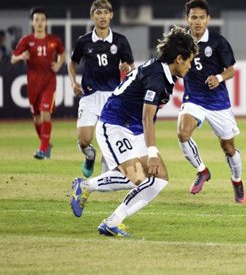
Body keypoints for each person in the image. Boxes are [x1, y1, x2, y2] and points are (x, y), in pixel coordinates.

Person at [70, 26, 198, 237]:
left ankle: (113, 222)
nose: (190, 66)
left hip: (134, 128)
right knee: (134, 177)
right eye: (189, 60)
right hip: (114, 124)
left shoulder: (164, 73)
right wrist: (153, 152)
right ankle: (85, 186)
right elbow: (148, 117)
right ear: (178, 58)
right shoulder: (157, 79)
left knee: (160, 178)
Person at [177, 0, 246, 203]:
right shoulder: (181, 42)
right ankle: (202, 170)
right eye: (193, 17)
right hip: (193, 99)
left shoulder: (218, 42)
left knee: (229, 148)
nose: (197, 22)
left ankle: (237, 181)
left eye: (201, 17)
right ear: (187, 19)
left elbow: (231, 70)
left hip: (218, 103)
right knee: (182, 133)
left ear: (208, 19)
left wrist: (219, 77)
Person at [68, 0, 135, 178]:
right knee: (84, 140)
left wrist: (127, 68)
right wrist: (74, 82)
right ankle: (90, 155)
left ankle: (107, 169)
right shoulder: (84, 41)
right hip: (90, 95)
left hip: (113, 96)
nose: (103, 16)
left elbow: (132, 67)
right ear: (92, 16)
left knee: (111, 137)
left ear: (111, 15)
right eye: (98, 13)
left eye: (106, 12)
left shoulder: (120, 41)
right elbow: (72, 63)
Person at [11, 7, 66, 159]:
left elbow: (62, 53)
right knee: (36, 118)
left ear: (46, 22)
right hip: (33, 84)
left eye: (42, 20)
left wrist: (59, 64)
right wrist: (21, 56)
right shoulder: (26, 41)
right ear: (32, 22)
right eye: (37, 20)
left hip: (49, 83)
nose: (40, 23)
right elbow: (13, 58)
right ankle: (46, 144)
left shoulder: (54, 40)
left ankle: (42, 149)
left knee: (45, 115)